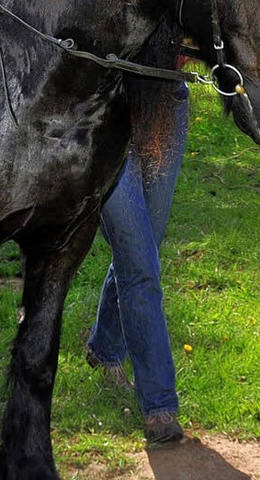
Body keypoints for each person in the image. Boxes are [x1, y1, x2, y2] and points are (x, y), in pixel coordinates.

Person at [86, 82, 189, 445]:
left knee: (143, 254)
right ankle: (159, 406)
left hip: (165, 107)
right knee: (140, 266)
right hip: (104, 110)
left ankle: (105, 348)